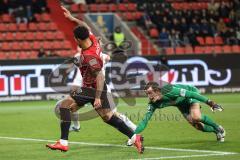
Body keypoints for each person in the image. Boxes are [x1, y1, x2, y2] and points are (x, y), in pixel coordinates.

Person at [46, 6, 144, 154]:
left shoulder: (89, 56)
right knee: (107, 117)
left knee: (64, 107)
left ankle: (63, 142)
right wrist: (72, 19)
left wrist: (97, 97)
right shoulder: (92, 39)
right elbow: (84, 26)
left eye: (75, 39)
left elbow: (100, 75)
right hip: (94, 88)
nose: (75, 41)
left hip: (92, 89)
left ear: (78, 39)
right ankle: (134, 137)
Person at [133, 82, 225, 143]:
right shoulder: (153, 104)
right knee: (198, 126)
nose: (149, 96)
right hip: (181, 105)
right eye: (147, 94)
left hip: (191, 96)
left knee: (196, 117)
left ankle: (218, 127)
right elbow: (145, 120)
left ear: (157, 91)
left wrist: (210, 103)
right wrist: (133, 135)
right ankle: (216, 130)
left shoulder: (169, 90)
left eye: (150, 93)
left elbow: (191, 94)